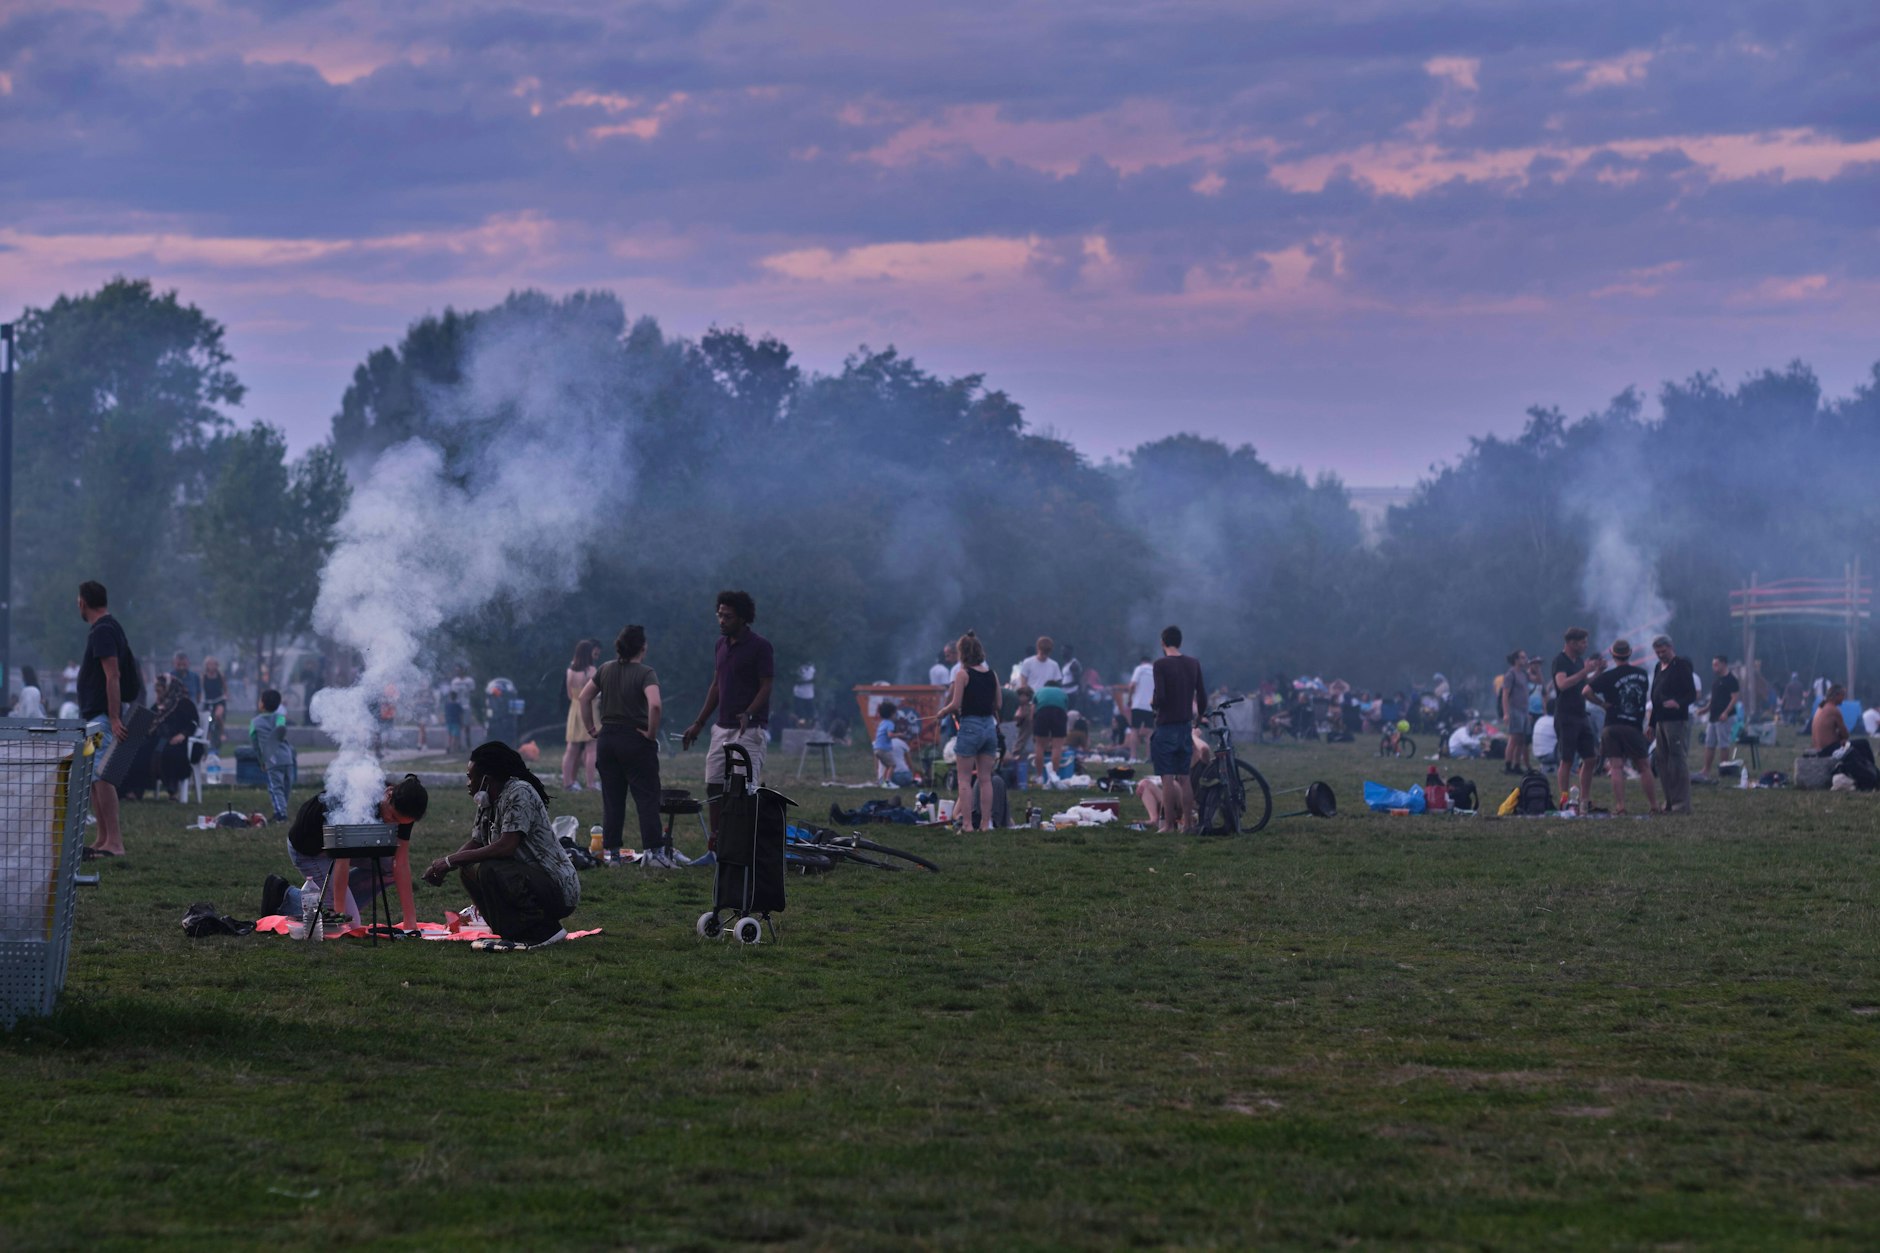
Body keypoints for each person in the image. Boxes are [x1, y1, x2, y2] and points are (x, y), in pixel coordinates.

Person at [424, 742, 579, 950]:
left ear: (486, 779)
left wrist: (449, 861)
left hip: (556, 887)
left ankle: (545, 931)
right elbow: (477, 841)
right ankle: (513, 932)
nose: (468, 783)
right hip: (528, 878)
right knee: (469, 869)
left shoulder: (519, 792)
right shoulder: (488, 799)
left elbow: (506, 846)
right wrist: (444, 865)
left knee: (490, 868)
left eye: (471, 777)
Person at [260, 774, 430, 932]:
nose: (393, 824)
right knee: (351, 924)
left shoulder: (405, 808)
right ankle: (284, 896)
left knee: (388, 869)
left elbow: (400, 864)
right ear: (388, 795)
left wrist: (410, 921)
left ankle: (332, 903)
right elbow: (342, 860)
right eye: (392, 817)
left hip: (352, 847)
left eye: (400, 823)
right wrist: (340, 915)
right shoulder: (359, 801)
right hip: (310, 849)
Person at [680, 590, 773, 866]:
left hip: (750, 729)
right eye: (719, 615)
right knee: (714, 785)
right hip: (721, 728)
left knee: (743, 790)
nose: (721, 620)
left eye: (728, 616)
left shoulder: (760, 647)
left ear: (743, 618)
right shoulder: (720, 645)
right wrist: (699, 723)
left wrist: (749, 712)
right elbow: (716, 685)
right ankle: (717, 848)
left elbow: (767, 685)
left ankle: (743, 849)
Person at [581, 624, 668, 865]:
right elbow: (656, 705)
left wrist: (591, 728)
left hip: (607, 739)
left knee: (613, 798)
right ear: (642, 647)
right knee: (647, 797)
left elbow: (584, 697)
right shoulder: (645, 673)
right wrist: (650, 734)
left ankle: (613, 854)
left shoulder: (605, 669)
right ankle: (654, 852)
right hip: (635, 739)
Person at [77, 581, 141, 860]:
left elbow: (112, 675)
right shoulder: (106, 628)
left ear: (83, 602)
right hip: (94, 718)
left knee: (102, 776)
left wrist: (114, 718)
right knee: (92, 776)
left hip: (103, 719)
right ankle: (103, 838)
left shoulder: (103, 630)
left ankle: (115, 842)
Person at [1586, 639, 1659, 816]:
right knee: (1643, 766)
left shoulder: (1608, 676)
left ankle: (1620, 806)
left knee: (1616, 767)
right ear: (1630, 653)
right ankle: (1654, 806)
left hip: (1611, 725)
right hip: (1633, 726)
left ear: (1612, 654)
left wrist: (1602, 704)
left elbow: (1585, 691)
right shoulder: (1642, 675)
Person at [936, 632, 1000, 832]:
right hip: (990, 726)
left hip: (970, 726)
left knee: (964, 779)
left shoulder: (962, 674)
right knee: (985, 779)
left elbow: (955, 704)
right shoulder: (992, 674)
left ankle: (967, 824)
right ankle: (985, 824)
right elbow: (998, 703)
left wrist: (942, 712)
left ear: (962, 653)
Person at [1150, 625, 1204, 833]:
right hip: (1184, 726)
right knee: (1185, 777)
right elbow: (1202, 695)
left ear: (1163, 643)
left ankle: (1170, 825)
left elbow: (1161, 697)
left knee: (1167, 777)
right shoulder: (1193, 663)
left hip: (1166, 727)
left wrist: (1154, 703)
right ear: (1179, 642)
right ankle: (1189, 824)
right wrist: (1199, 717)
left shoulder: (1160, 664)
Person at [1551, 627, 1604, 809]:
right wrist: (1584, 671)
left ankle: (1584, 799)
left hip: (1581, 715)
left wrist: (1597, 673)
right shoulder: (1560, 661)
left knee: (1590, 758)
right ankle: (1565, 799)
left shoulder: (1580, 661)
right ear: (1572, 643)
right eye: (1583, 642)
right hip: (1566, 716)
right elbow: (1562, 684)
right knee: (1567, 759)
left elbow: (1583, 683)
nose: (1585, 645)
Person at [1648, 635, 1696, 814]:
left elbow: (1691, 694)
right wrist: (1652, 724)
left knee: (1677, 761)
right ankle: (1669, 801)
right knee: (1662, 762)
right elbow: (1654, 697)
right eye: (1658, 652)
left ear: (1671, 647)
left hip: (1676, 721)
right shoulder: (1658, 668)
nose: (1661, 655)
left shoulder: (1681, 666)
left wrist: (1679, 703)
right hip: (1660, 720)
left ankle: (1681, 804)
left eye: (1663, 651)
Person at [1693, 655, 1739, 783]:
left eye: (1716, 664)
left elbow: (1734, 698)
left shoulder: (1731, 680)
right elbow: (1714, 698)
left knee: (1723, 744)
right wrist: (1706, 709)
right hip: (1713, 716)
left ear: (1724, 664)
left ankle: (1723, 769)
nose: (1714, 667)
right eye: (1713, 664)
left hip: (1725, 717)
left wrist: (1725, 712)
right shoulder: (1717, 679)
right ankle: (1706, 769)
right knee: (1709, 743)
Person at [561, 638, 599, 792]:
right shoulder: (592, 671)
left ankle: (568, 782)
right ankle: (590, 784)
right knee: (591, 748)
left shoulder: (569, 671)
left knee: (571, 749)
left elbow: (570, 694)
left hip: (575, 709)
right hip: (589, 708)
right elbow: (595, 692)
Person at [155, 674, 200, 800]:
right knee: (140, 751)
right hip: (161, 740)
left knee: (171, 752)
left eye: (160, 687)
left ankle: (172, 789)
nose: (158, 691)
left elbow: (193, 722)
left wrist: (183, 734)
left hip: (182, 741)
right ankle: (133, 791)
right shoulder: (159, 705)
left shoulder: (184, 703)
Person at [251, 689, 294, 821]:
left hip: (272, 759)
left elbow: (255, 745)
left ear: (262, 704)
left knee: (276, 788)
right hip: (287, 757)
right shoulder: (280, 718)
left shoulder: (255, 722)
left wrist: (262, 760)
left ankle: (281, 814)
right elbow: (280, 730)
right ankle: (281, 809)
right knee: (286, 787)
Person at [1500, 650, 1532, 774]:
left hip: (1524, 711)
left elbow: (1538, 681)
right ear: (1516, 660)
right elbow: (1505, 694)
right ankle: (1508, 765)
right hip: (1514, 710)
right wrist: (1506, 713)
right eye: (1522, 658)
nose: (1525, 660)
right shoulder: (1510, 674)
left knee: (1522, 739)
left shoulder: (1523, 674)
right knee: (1514, 738)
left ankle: (1517, 765)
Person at [1032, 680, 1070, 782]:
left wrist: (1033, 723)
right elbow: (1065, 709)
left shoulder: (1039, 691)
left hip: (1042, 713)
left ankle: (1039, 776)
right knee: (1057, 747)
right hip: (1059, 713)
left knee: (1039, 746)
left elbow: (1033, 709)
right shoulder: (1062, 693)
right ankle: (1054, 776)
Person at [1125, 652, 1155, 763]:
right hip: (1150, 706)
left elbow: (1132, 685)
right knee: (1150, 732)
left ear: (1142, 661)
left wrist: (1129, 698)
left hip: (1137, 704)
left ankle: (1133, 757)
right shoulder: (1154, 671)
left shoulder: (1140, 669)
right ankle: (1149, 757)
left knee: (1134, 730)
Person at [1812, 684, 1851, 754]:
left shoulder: (1821, 707)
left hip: (1819, 747)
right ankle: (1869, 765)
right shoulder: (1834, 710)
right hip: (1830, 749)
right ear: (1837, 695)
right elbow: (1845, 735)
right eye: (1843, 695)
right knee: (1863, 743)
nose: (1844, 698)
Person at [200, 656, 227, 750]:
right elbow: (201, 689)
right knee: (206, 720)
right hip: (208, 701)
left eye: (213, 664)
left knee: (218, 715)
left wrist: (226, 695)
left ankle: (222, 732)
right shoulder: (203, 676)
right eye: (209, 664)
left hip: (219, 700)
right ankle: (207, 738)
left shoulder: (220, 675)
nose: (211, 666)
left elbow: (224, 687)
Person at [792, 662, 817, 728]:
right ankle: (800, 726)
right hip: (799, 694)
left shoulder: (813, 668)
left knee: (811, 713)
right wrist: (807, 682)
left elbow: (815, 680)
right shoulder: (798, 667)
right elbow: (795, 680)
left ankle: (809, 726)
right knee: (800, 713)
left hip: (809, 695)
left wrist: (810, 681)